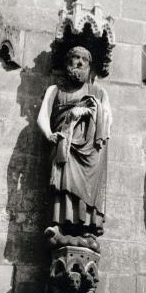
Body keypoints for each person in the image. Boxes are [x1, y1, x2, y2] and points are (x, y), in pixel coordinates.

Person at [37, 46, 112, 247]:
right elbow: (43, 115)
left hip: (91, 149)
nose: (79, 62)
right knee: (63, 180)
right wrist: (49, 133)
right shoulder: (55, 90)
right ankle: (58, 224)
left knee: (87, 187)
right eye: (75, 58)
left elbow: (108, 118)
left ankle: (87, 228)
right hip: (65, 143)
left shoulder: (98, 91)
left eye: (84, 60)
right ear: (66, 63)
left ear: (89, 66)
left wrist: (86, 112)